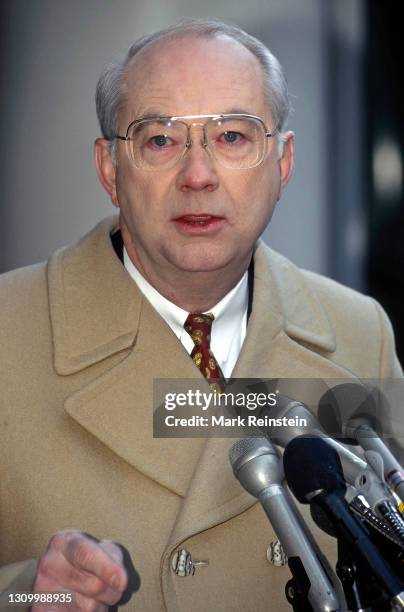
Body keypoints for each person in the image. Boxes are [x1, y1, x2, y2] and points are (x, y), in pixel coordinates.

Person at [0, 18, 402, 612]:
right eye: (160, 140)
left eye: (234, 137)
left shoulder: (357, 331)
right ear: (111, 169)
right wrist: (26, 592)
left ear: (282, 164)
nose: (198, 176)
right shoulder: (9, 332)